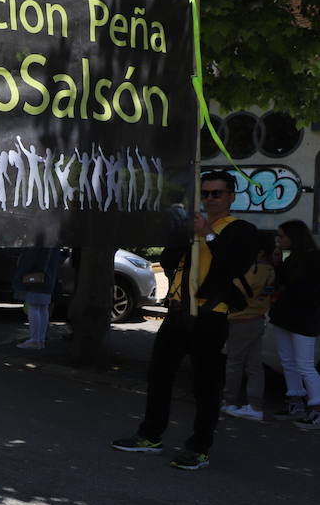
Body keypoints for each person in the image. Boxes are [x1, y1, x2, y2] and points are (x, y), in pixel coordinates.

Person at [113, 171, 258, 470]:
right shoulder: (191, 227)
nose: (209, 199)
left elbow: (233, 264)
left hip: (210, 316)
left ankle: (199, 447)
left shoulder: (241, 230)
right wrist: (183, 236)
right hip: (178, 312)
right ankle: (150, 436)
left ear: (231, 196)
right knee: (159, 376)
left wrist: (207, 235)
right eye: (205, 193)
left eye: (216, 193)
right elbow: (168, 262)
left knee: (206, 385)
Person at [269, 220, 320, 429]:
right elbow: (283, 282)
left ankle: (316, 409)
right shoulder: (295, 258)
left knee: (304, 364)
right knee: (289, 361)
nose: (279, 241)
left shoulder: (313, 259)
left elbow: (307, 290)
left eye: (282, 236)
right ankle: (295, 402)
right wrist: (278, 265)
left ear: (294, 236)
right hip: (287, 316)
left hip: (303, 318)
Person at [220, 235, 275, 421]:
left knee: (234, 363)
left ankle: (229, 402)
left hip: (240, 320)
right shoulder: (270, 270)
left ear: (258, 251)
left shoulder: (251, 269)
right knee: (254, 366)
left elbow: (233, 289)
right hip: (258, 319)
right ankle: (255, 405)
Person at [13, 247, 61, 350]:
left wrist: (21, 272)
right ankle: (40, 340)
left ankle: (34, 340)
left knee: (33, 307)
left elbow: (32, 259)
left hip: (36, 276)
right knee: (43, 308)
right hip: (48, 278)